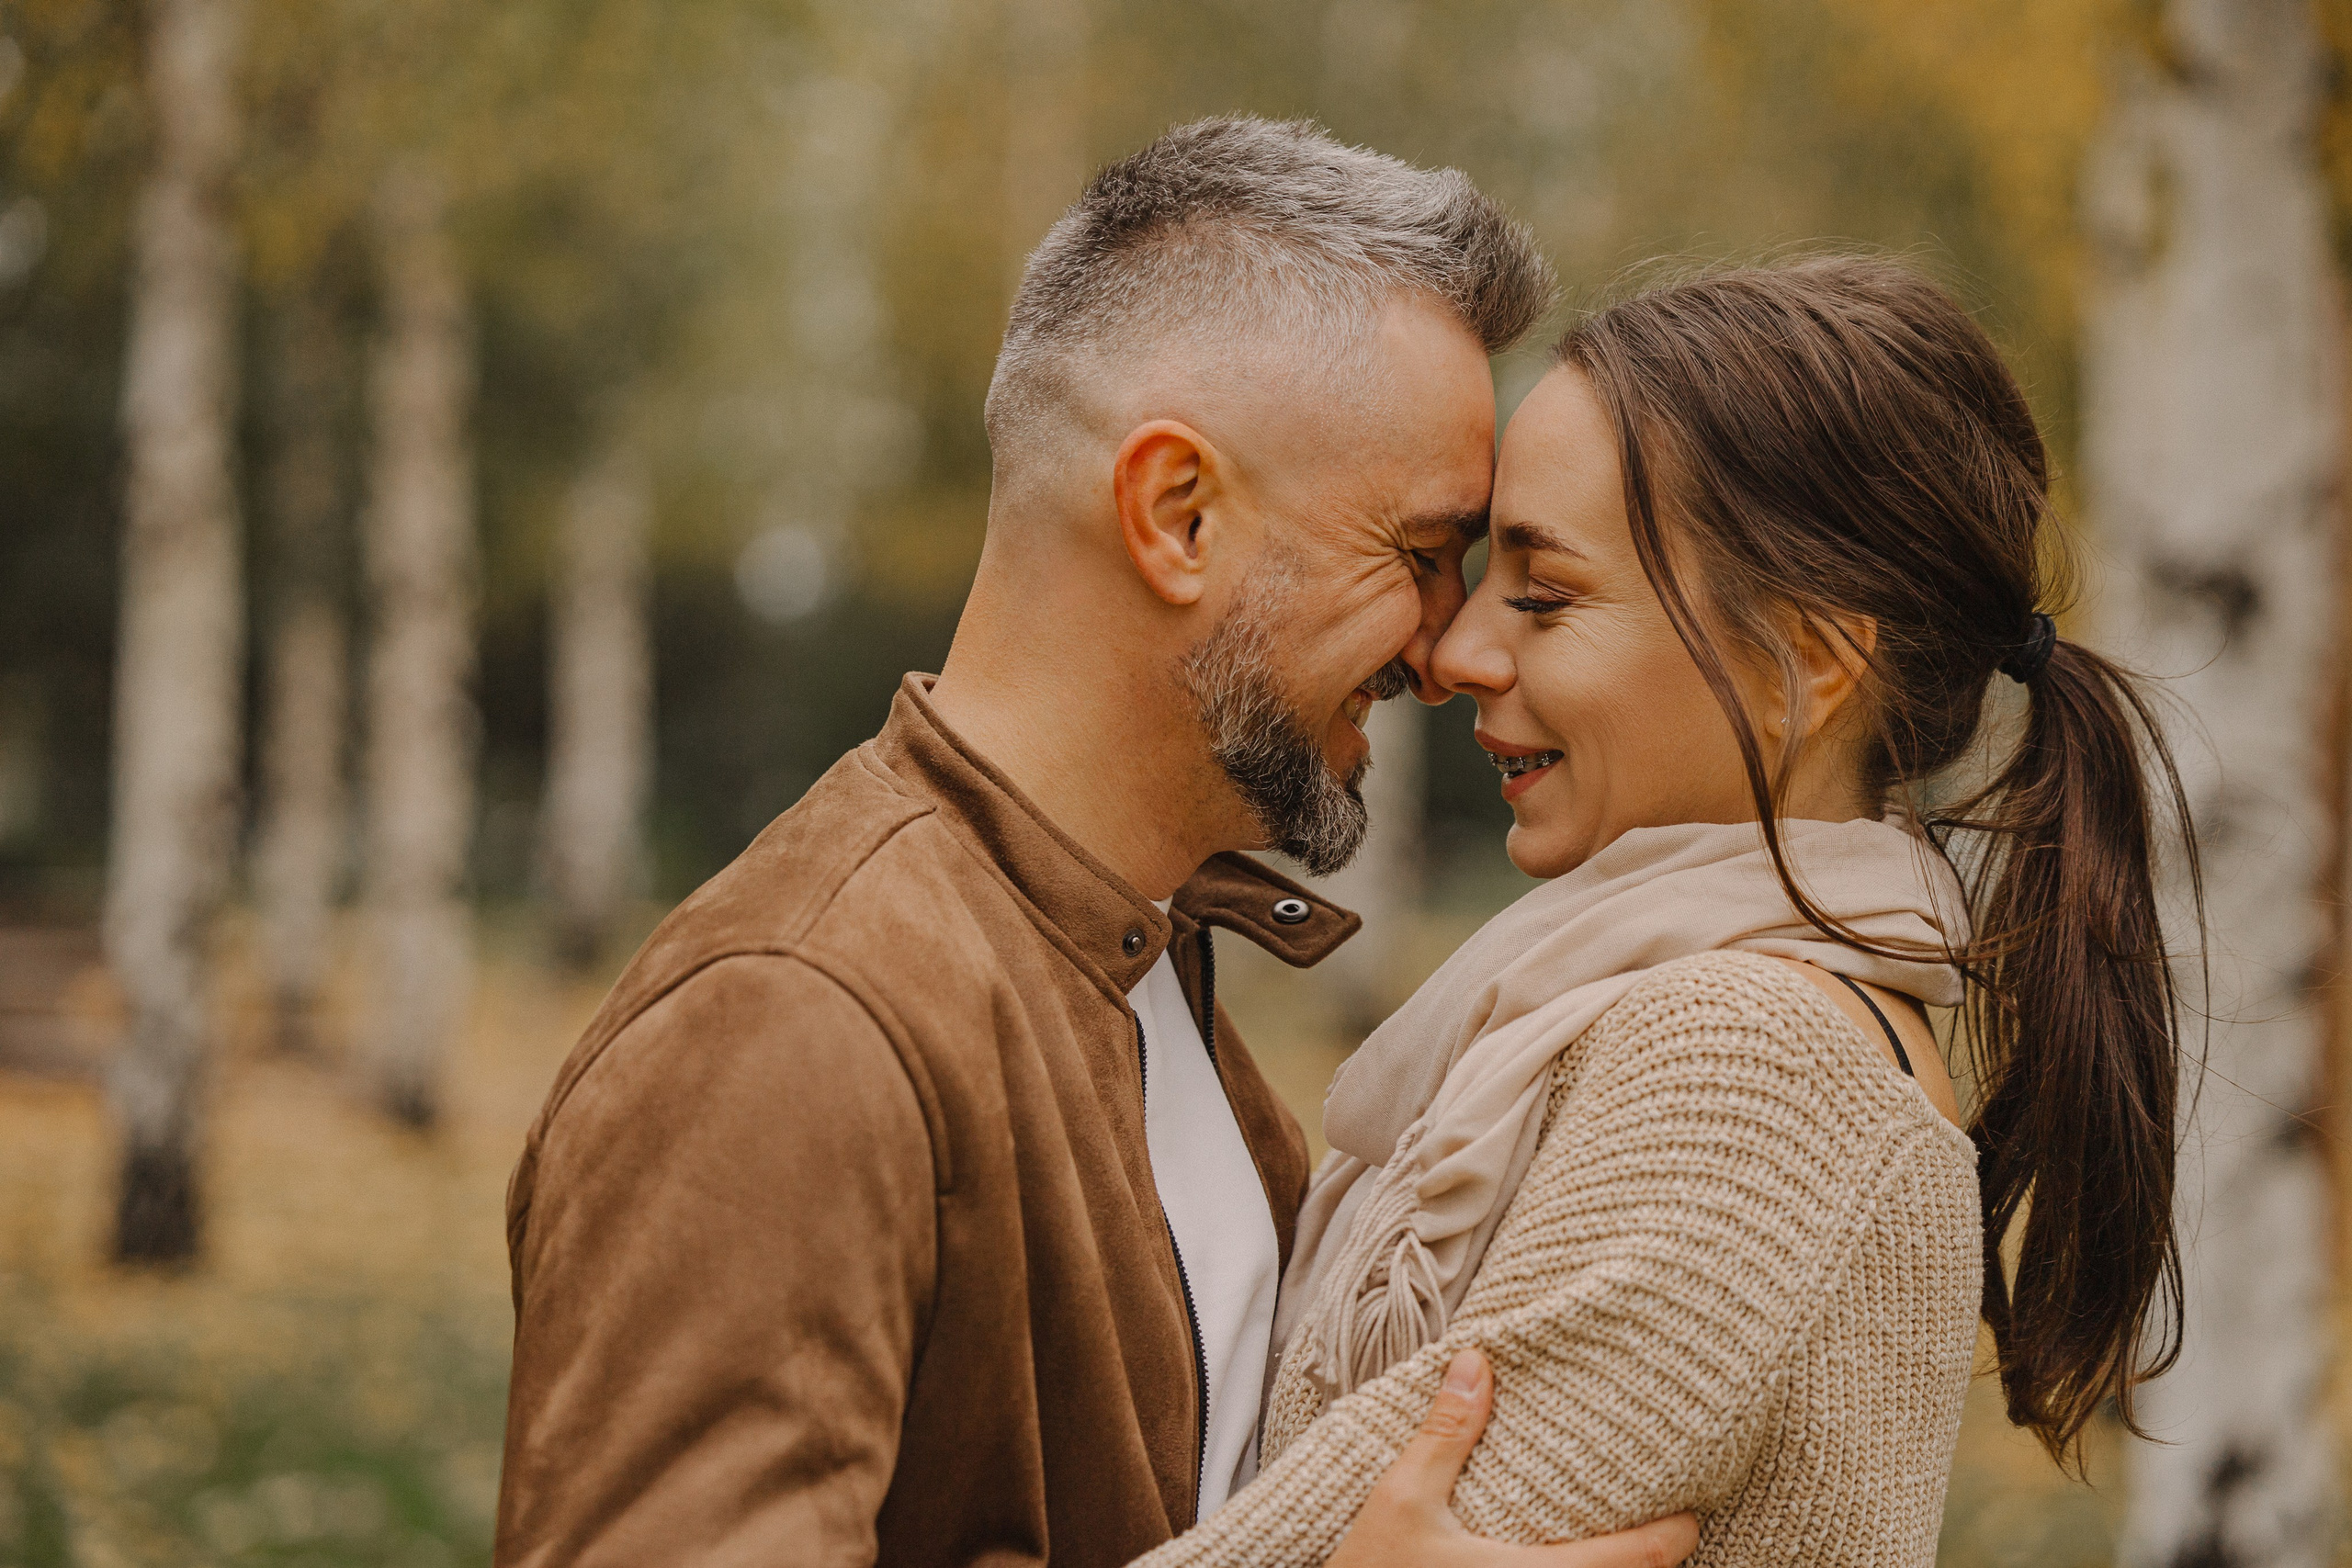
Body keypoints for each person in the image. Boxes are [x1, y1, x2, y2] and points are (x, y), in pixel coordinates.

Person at [494, 118, 1696, 1568]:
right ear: (1176, 513)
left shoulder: (1143, 958)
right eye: (1422, 556)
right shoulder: (794, 1024)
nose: (1450, 653)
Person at [1138, 255, 2195, 1565]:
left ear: (1804, 664)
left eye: (1545, 593)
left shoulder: (1757, 1072)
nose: (1457, 651)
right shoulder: (1671, 1016)